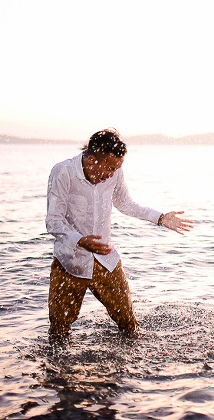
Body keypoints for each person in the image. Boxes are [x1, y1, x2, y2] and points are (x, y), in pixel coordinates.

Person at [46, 128, 193, 337]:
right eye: (110, 168)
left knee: (129, 325)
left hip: (106, 260)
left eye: (117, 169)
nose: (112, 174)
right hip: (69, 263)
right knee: (59, 331)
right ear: (92, 159)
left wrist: (160, 218)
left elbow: (125, 204)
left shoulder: (113, 173)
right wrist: (80, 241)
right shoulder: (63, 172)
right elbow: (54, 221)